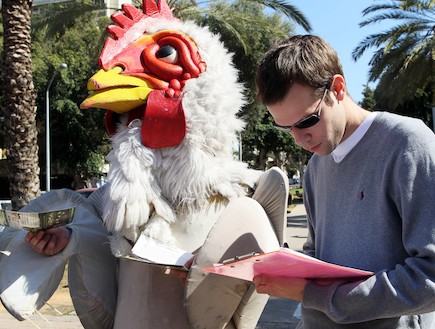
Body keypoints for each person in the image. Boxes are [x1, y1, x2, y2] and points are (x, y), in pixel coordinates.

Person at [253, 34, 435, 328]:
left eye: (308, 121)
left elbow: (430, 277)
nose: (299, 139)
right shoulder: (315, 166)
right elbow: (316, 256)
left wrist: (318, 296)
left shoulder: (408, 144)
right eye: (287, 128)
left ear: (337, 88)